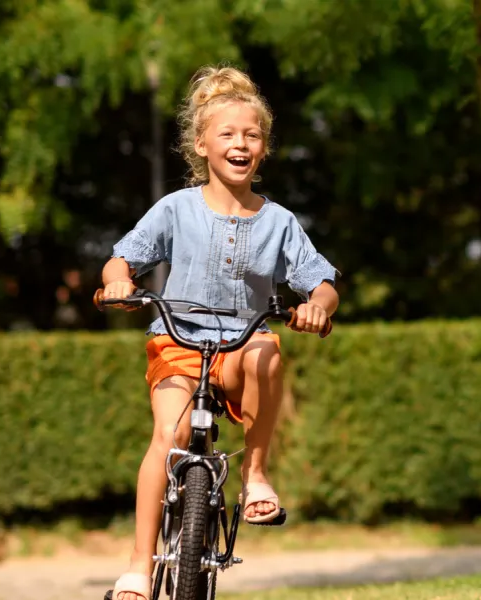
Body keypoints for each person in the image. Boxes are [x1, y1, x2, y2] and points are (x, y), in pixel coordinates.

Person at [100, 64, 339, 600]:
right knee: (171, 438)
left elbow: (321, 282)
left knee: (265, 352)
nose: (240, 143)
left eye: (252, 135)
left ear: (264, 148)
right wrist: (118, 284)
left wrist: (318, 306)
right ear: (201, 144)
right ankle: (138, 568)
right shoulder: (175, 209)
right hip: (177, 344)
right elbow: (122, 260)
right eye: (227, 134)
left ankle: (256, 474)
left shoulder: (278, 222)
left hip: (239, 344)